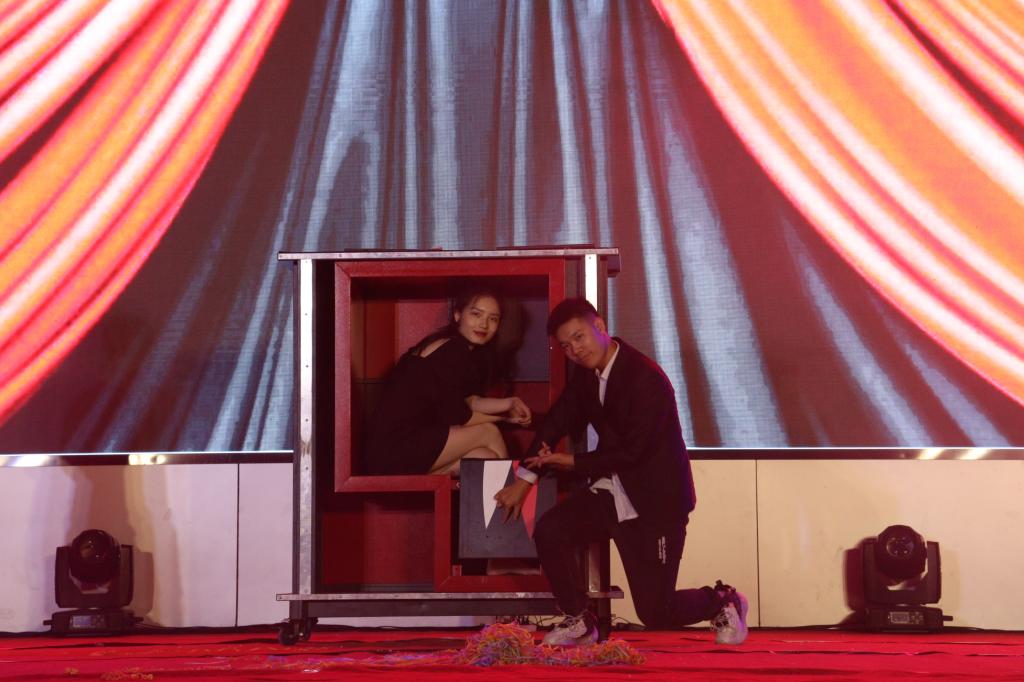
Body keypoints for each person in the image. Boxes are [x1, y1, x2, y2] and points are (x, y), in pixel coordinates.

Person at [494, 298, 748, 646]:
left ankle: (723, 601)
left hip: (655, 504)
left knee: (655, 611)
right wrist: (525, 479)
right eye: (566, 345)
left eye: (579, 337)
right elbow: (556, 421)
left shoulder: (646, 378)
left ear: (600, 327)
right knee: (551, 530)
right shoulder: (587, 377)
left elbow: (633, 452)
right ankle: (579, 621)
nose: (574, 350)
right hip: (613, 492)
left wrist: (571, 462)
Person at [364, 289, 532, 476]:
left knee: (484, 456)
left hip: (407, 448)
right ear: (457, 315)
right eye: (476, 314)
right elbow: (460, 417)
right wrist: (505, 418)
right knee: (489, 432)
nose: (484, 324)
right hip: (394, 448)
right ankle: (517, 492)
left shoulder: (462, 351)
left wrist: (509, 403)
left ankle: (505, 492)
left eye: (493, 319)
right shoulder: (452, 349)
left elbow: (470, 401)